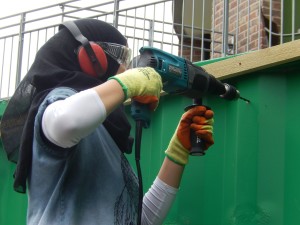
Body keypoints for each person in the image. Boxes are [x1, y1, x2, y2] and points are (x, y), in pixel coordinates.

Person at [0, 18, 214, 225]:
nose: (125, 67)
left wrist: (178, 150)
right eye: (122, 56)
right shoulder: (57, 102)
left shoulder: (104, 137)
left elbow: (139, 219)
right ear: (91, 57)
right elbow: (66, 121)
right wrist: (127, 84)